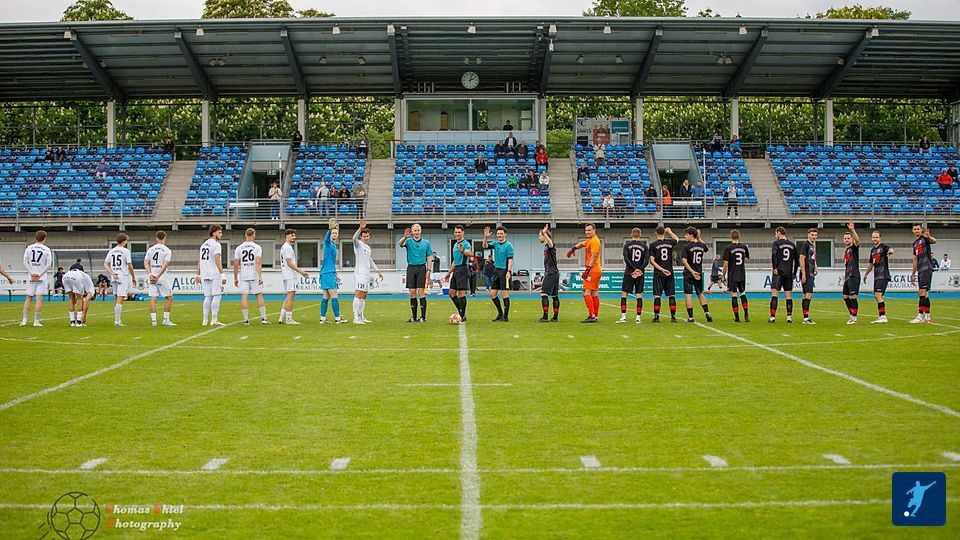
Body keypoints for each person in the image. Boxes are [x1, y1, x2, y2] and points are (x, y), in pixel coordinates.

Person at [566, 223, 602, 323]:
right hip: (595, 270)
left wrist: (588, 270)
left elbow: (594, 256)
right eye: (586, 230)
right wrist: (573, 249)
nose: (587, 232)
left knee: (586, 291)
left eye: (589, 230)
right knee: (594, 293)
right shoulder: (590, 240)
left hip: (592, 270)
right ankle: (595, 315)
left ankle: (592, 315)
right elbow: (582, 244)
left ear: (594, 230)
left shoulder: (594, 241)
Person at [233, 228, 269, 325]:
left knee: (244, 296)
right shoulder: (257, 247)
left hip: (244, 275)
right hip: (254, 274)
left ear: (245, 235)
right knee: (259, 295)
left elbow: (236, 264)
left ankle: (246, 320)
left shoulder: (239, 248)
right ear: (254, 235)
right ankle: (264, 318)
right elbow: (258, 262)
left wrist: (235, 278)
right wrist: (260, 276)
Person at [352, 219, 384, 325]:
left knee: (364, 295)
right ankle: (355, 318)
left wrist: (377, 271)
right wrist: (360, 228)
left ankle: (361, 316)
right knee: (358, 294)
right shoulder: (358, 244)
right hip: (360, 273)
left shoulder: (368, 247)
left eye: (367, 236)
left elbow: (370, 260)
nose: (366, 238)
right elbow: (353, 238)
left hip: (366, 274)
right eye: (364, 236)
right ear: (361, 237)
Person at [399, 224, 432, 322]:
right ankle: (414, 317)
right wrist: (404, 237)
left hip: (421, 268)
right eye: (415, 230)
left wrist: (429, 270)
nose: (416, 232)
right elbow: (400, 244)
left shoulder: (426, 243)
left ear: (420, 231)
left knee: (421, 292)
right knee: (412, 292)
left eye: (418, 230)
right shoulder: (408, 241)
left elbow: (429, 257)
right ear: (412, 232)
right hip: (411, 268)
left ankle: (423, 317)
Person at [482, 225, 515, 322]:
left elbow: (510, 259)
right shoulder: (495, 244)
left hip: (504, 272)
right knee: (492, 294)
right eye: (498, 234)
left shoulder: (508, 245)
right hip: (496, 271)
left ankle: (505, 317)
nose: (499, 235)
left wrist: (509, 271)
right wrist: (486, 237)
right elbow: (484, 246)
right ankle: (500, 314)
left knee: (504, 293)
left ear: (505, 234)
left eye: (501, 233)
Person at [104, 233, 137, 327]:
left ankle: (118, 319)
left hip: (114, 276)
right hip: (122, 276)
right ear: (124, 241)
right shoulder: (126, 251)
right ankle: (117, 321)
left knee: (116, 298)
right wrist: (133, 277)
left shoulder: (112, 251)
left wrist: (111, 272)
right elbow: (129, 265)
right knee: (120, 298)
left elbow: (105, 263)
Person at [648, 225, 679, 323]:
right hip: (669, 272)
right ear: (664, 232)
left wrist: (661, 269)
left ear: (656, 233)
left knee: (657, 295)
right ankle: (673, 317)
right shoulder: (669, 243)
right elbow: (677, 239)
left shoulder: (653, 245)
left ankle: (656, 317)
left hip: (659, 273)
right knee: (671, 295)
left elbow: (652, 261)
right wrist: (670, 231)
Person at [681, 227, 713, 323]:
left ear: (691, 235)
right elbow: (706, 248)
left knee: (688, 295)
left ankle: (691, 317)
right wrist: (698, 237)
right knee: (700, 293)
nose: (685, 236)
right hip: (698, 272)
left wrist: (692, 271)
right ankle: (707, 313)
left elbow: (684, 261)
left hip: (689, 273)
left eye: (686, 234)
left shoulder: (686, 247)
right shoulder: (701, 245)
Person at [196, 225, 226, 326]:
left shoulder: (203, 244)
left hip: (205, 273)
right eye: (219, 232)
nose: (221, 234)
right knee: (217, 295)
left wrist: (198, 273)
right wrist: (222, 274)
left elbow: (200, 260)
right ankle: (214, 320)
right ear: (214, 233)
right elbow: (217, 259)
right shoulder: (216, 245)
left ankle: (205, 320)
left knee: (207, 296)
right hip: (214, 273)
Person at [145, 230, 175, 327]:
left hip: (152, 276)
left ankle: (154, 321)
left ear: (156, 238)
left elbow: (146, 262)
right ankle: (165, 320)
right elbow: (165, 264)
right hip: (161, 277)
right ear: (165, 238)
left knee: (153, 298)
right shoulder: (167, 250)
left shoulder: (150, 249)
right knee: (169, 297)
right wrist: (158, 276)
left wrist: (150, 274)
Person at [21, 230, 52, 327]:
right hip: (41, 277)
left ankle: (24, 321)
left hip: (31, 276)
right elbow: (48, 264)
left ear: (36, 237)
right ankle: (36, 321)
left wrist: (31, 273)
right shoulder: (46, 249)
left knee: (28, 298)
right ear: (44, 238)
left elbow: (25, 262)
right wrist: (39, 274)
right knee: (39, 299)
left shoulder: (29, 248)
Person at [278, 228, 309, 324]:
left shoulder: (284, 247)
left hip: (286, 274)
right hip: (290, 275)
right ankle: (289, 319)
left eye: (294, 235)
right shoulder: (287, 247)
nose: (294, 237)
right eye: (292, 235)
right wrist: (301, 271)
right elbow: (289, 263)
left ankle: (281, 317)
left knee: (288, 296)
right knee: (291, 296)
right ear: (287, 236)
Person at [444, 224, 474, 323]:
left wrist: (463, 251)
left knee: (461, 294)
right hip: (456, 269)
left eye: (459, 232)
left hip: (463, 269)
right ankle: (462, 314)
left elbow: (471, 254)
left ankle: (462, 315)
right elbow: (455, 261)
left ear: (463, 233)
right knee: (451, 293)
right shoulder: (455, 245)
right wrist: (449, 272)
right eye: (456, 232)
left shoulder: (465, 244)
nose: (457, 234)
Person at [617, 227, 647, 324]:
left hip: (629, 272)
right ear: (640, 235)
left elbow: (626, 259)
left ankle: (623, 317)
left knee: (624, 294)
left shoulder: (627, 245)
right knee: (639, 294)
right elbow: (646, 260)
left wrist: (634, 269)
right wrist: (639, 270)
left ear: (631, 234)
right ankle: (638, 318)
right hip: (640, 273)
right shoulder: (644, 246)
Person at [863, 230, 894, 324]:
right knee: (877, 296)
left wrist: (890, 251)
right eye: (873, 237)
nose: (875, 239)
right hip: (877, 275)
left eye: (876, 237)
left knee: (878, 295)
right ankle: (881, 316)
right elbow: (871, 264)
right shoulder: (873, 250)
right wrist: (866, 274)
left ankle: (883, 316)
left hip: (883, 274)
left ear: (880, 238)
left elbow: (890, 249)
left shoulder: (883, 246)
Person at [319, 219, 347, 324]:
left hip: (327, 272)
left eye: (336, 233)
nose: (334, 234)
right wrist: (329, 230)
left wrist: (335, 273)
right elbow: (326, 239)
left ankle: (322, 318)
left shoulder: (333, 245)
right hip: (328, 273)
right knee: (334, 295)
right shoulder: (328, 243)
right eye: (333, 233)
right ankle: (337, 318)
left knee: (326, 296)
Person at [769, 226, 798, 323]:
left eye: (775, 233)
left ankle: (772, 317)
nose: (775, 235)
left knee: (774, 294)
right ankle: (789, 318)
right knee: (788, 296)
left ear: (779, 233)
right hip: (788, 273)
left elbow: (774, 254)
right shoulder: (792, 244)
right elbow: (796, 260)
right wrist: (794, 272)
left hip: (779, 272)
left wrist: (775, 267)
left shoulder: (776, 243)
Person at [910, 223, 937, 324]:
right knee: (924, 294)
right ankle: (927, 317)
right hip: (920, 269)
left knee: (921, 292)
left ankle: (920, 316)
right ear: (912, 231)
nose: (916, 231)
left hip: (926, 267)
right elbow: (915, 260)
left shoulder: (925, 238)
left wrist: (928, 236)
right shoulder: (915, 244)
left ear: (921, 230)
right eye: (915, 229)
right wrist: (913, 274)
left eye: (918, 229)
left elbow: (934, 241)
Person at [722, 229, 750, 323]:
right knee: (743, 293)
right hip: (742, 274)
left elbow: (726, 263)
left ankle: (737, 317)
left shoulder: (728, 248)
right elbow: (747, 257)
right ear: (739, 237)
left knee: (734, 295)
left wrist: (723, 275)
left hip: (732, 275)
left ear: (731, 237)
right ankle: (746, 315)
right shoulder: (744, 247)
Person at [538, 225, 560, 322]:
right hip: (554, 273)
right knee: (555, 296)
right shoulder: (546, 247)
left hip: (551, 273)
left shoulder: (550, 246)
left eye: (540, 236)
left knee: (544, 294)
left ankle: (545, 317)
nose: (539, 237)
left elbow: (551, 244)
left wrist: (544, 233)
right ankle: (555, 317)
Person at [841, 222, 862, 325]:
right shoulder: (847, 250)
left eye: (848, 238)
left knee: (853, 296)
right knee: (845, 296)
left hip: (854, 275)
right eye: (845, 238)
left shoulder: (853, 248)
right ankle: (851, 314)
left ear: (851, 239)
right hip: (847, 276)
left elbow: (857, 241)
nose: (846, 240)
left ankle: (854, 317)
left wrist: (853, 230)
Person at [798, 228, 819, 324]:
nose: (814, 237)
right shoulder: (805, 245)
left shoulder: (812, 246)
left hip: (810, 272)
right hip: (806, 272)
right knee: (809, 294)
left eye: (815, 235)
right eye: (812, 235)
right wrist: (803, 273)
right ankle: (806, 318)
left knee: (806, 294)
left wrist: (816, 267)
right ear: (808, 235)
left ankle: (805, 317)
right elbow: (801, 259)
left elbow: (813, 258)